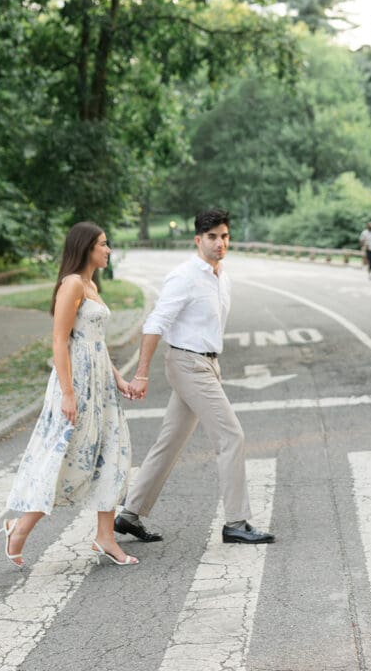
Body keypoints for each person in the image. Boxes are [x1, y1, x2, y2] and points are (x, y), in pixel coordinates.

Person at [116, 207, 275, 546]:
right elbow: (155, 323)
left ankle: (129, 514)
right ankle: (236, 522)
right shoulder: (185, 276)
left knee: (170, 440)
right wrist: (141, 374)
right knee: (231, 435)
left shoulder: (221, 276)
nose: (220, 243)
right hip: (187, 364)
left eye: (225, 236)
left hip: (206, 365)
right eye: (213, 237)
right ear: (198, 239)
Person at [0, 222, 136, 569]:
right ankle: (20, 528)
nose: (108, 250)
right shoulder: (73, 284)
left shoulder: (91, 284)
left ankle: (105, 537)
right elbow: (59, 340)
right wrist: (68, 393)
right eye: (103, 245)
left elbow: (96, 342)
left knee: (112, 454)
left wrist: (118, 378)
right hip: (76, 383)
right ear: (86, 247)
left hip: (101, 384)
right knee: (65, 456)